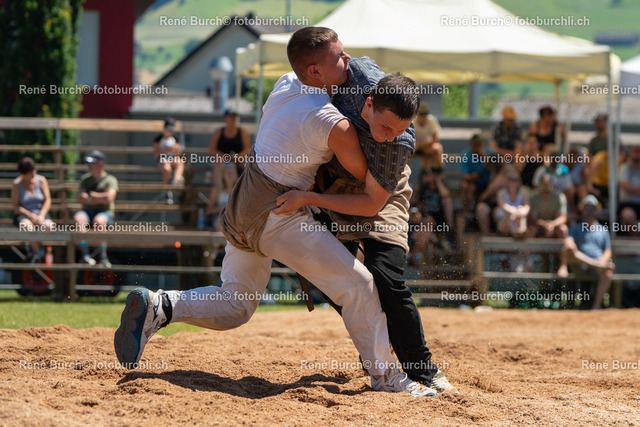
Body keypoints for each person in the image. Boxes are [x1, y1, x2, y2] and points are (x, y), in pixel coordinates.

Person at [115, 27, 437, 397]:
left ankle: (160, 305)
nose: (347, 59)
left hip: (242, 202)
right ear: (315, 71)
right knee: (358, 285)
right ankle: (388, 378)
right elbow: (371, 182)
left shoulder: (286, 82)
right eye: (338, 56)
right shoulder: (333, 123)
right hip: (279, 211)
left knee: (236, 304)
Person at [275, 57, 456, 392]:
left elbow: (372, 202)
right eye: (386, 127)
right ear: (369, 103)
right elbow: (333, 57)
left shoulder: (398, 143)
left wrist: (308, 198)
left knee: (386, 278)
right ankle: (375, 345)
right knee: (337, 276)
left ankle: (423, 370)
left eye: (400, 129)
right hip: (335, 185)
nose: (390, 137)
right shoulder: (353, 76)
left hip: (383, 191)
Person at [564, 195, 615, 309]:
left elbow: (608, 251)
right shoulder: (575, 228)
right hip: (579, 264)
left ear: (597, 211)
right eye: (587, 208)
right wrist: (570, 244)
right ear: (582, 210)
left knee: (607, 272)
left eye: (592, 208)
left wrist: (602, 261)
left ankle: (596, 307)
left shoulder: (603, 230)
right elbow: (568, 242)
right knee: (568, 251)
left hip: (597, 266)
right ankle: (596, 264)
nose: (590, 211)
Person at [74, 150, 118, 267]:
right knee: (79, 218)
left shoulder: (110, 179)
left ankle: (102, 256)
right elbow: (79, 197)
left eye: (91, 163)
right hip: (87, 212)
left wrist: (91, 196)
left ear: (100, 163)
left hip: (105, 213)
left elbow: (108, 198)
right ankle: (84, 254)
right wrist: (100, 197)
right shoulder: (85, 179)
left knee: (99, 221)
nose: (88, 166)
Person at [11, 157, 55, 262]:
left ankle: (35, 251)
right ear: (23, 173)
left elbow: (48, 200)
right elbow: (15, 206)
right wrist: (30, 215)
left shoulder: (42, 180)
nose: (33, 173)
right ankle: (38, 252)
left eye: (33, 170)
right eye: (30, 172)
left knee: (48, 226)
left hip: (41, 213)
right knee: (27, 227)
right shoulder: (16, 184)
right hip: (24, 215)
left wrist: (41, 215)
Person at [527, 173, 569, 276]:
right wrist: (544, 224)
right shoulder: (533, 196)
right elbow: (532, 219)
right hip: (539, 227)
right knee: (531, 229)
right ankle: (529, 265)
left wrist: (552, 224)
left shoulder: (559, 196)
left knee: (563, 229)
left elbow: (563, 217)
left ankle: (563, 265)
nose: (545, 187)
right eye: (543, 184)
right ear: (539, 184)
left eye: (548, 184)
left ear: (552, 184)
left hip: (554, 228)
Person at [208, 109, 251, 187]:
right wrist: (224, 157)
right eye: (230, 117)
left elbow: (247, 149)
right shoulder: (219, 132)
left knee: (247, 164)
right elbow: (212, 150)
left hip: (238, 159)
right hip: (222, 159)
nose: (232, 119)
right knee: (217, 163)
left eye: (234, 117)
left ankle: (244, 188)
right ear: (225, 118)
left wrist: (237, 157)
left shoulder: (242, 132)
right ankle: (218, 189)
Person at [460, 134, 494, 219]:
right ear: (471, 145)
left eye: (479, 145)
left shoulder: (491, 153)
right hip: (474, 183)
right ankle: (465, 214)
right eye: (475, 145)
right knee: (466, 186)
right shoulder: (466, 155)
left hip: (489, 182)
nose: (477, 147)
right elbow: (465, 175)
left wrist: (485, 157)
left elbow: (496, 171)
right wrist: (473, 177)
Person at [153, 117, 184, 204]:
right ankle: (167, 192)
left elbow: (179, 153)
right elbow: (156, 154)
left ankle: (176, 181)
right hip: (162, 158)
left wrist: (176, 149)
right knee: (167, 169)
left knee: (180, 162)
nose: (170, 131)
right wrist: (166, 150)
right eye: (168, 129)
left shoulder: (175, 138)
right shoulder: (158, 138)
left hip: (172, 158)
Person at [411, 102, 442, 180]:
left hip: (427, 145)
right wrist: (418, 145)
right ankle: (403, 173)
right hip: (415, 145)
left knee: (437, 148)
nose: (423, 117)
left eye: (425, 114)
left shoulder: (432, 120)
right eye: (421, 114)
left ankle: (439, 171)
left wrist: (422, 145)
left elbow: (436, 139)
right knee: (406, 150)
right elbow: (409, 138)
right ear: (417, 114)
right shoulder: (412, 121)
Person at [494, 171, 529, 238]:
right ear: (507, 181)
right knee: (509, 215)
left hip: (518, 218)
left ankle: (521, 231)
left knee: (520, 210)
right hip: (503, 222)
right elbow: (503, 206)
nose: (513, 182)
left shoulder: (524, 192)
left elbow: (527, 207)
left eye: (516, 180)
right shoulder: (501, 192)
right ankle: (517, 233)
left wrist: (519, 212)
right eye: (511, 180)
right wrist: (514, 211)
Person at [205, 162, 239, 231]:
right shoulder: (217, 190)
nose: (230, 175)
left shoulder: (239, 190)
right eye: (228, 173)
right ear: (223, 175)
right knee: (220, 224)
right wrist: (222, 209)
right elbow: (209, 210)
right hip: (219, 217)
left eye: (232, 173)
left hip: (235, 218)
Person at [618, 145, 640, 236]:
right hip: (628, 204)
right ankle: (637, 238)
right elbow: (626, 187)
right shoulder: (624, 168)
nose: (637, 154)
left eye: (638, 151)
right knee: (628, 216)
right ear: (630, 153)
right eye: (635, 151)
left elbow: (629, 187)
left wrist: (633, 188)